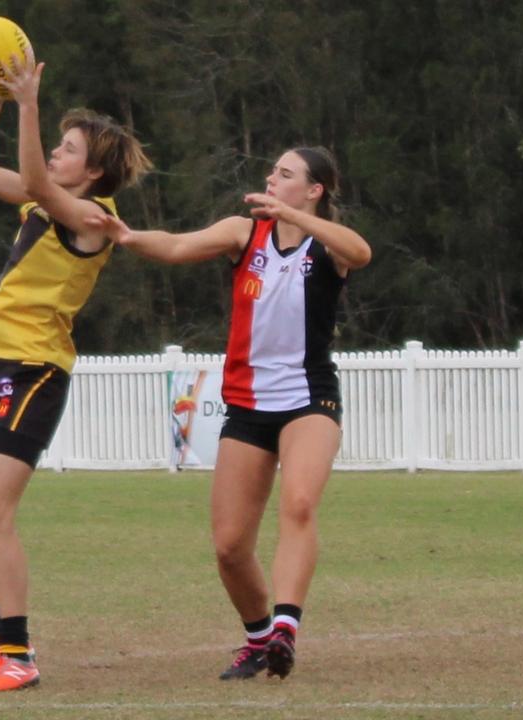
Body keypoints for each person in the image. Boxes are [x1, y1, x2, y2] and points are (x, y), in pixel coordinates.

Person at [87, 147, 370, 680]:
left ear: (315, 191)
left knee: (300, 503)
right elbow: (175, 246)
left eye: (285, 174)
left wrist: (294, 217)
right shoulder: (244, 234)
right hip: (247, 404)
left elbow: (360, 250)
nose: (271, 178)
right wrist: (125, 236)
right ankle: (260, 637)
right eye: (273, 172)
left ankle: (286, 625)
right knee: (229, 546)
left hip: (309, 399)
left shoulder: (326, 245)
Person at [0, 50, 151, 693]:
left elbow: (37, 182)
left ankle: (18, 655)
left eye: (69, 149)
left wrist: (30, 104)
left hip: (34, 369)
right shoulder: (47, 202)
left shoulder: (94, 218)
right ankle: (3, 644)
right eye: (57, 146)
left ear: (93, 171)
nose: (57, 157)